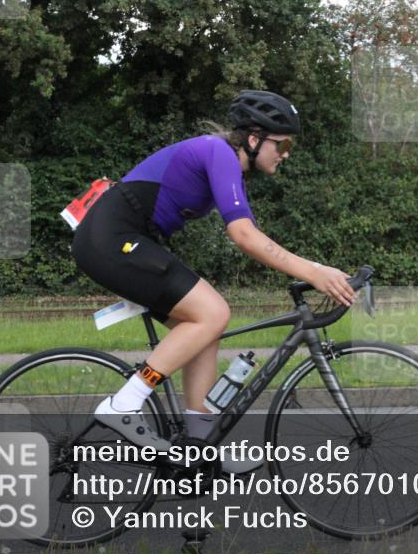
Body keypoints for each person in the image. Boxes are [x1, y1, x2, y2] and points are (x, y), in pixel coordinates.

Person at [72, 90, 355, 472]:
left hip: (119, 240)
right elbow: (244, 236)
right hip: (109, 238)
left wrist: (318, 267)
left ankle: (198, 450)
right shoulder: (218, 152)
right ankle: (124, 404)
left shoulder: (225, 162)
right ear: (253, 138)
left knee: (206, 330)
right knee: (213, 312)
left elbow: (253, 235)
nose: (287, 152)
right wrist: (314, 273)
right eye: (282, 142)